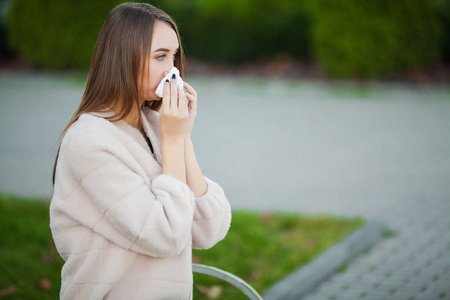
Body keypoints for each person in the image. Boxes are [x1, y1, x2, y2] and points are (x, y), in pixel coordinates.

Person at [50, 2, 232, 299]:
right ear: (124, 59)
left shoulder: (156, 126)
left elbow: (209, 229)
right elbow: (168, 235)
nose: (172, 70)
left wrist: (182, 138)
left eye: (174, 56)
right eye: (160, 56)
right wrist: (173, 140)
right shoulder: (88, 142)